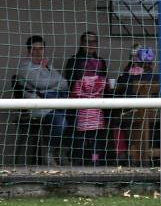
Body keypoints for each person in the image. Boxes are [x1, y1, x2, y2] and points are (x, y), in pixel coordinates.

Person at [16, 35, 70, 166]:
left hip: (55, 103)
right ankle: (50, 152)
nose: (38, 52)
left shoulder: (47, 66)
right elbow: (40, 83)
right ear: (29, 51)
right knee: (61, 122)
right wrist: (52, 85)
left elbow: (65, 83)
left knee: (75, 117)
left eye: (41, 49)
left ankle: (61, 153)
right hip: (38, 107)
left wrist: (48, 89)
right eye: (35, 49)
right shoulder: (25, 67)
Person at [70, 58, 108, 166]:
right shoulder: (102, 81)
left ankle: (78, 160)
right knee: (96, 140)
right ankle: (95, 160)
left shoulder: (79, 82)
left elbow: (73, 96)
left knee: (81, 140)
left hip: (83, 117)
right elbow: (107, 92)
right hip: (96, 118)